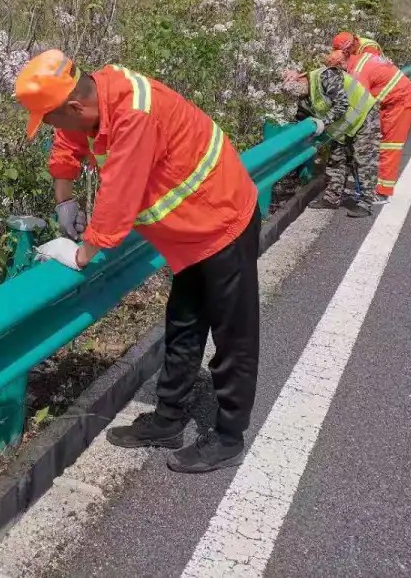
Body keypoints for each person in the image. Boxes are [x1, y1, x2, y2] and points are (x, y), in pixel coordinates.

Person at [14, 50, 262, 474]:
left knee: (233, 338)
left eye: (51, 118)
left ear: (74, 106)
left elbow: (118, 197)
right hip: (186, 236)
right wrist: (65, 198)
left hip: (222, 224)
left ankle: (228, 437)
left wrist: (80, 253)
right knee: (183, 324)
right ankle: (169, 419)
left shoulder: (133, 115)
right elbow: (68, 141)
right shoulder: (94, 103)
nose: (53, 128)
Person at [284, 60, 380, 217]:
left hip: (364, 116)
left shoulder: (326, 76)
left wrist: (324, 121)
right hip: (343, 126)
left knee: (364, 160)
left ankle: (365, 203)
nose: (301, 96)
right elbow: (302, 116)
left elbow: (342, 104)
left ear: (302, 79)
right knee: (336, 160)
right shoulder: (305, 95)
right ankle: (332, 198)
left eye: (300, 91)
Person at [328, 46, 411, 203]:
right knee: (381, 145)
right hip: (392, 103)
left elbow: (359, 103)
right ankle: (373, 186)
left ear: (342, 58)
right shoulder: (363, 57)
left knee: (389, 147)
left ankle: (382, 192)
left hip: (400, 103)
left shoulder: (358, 72)